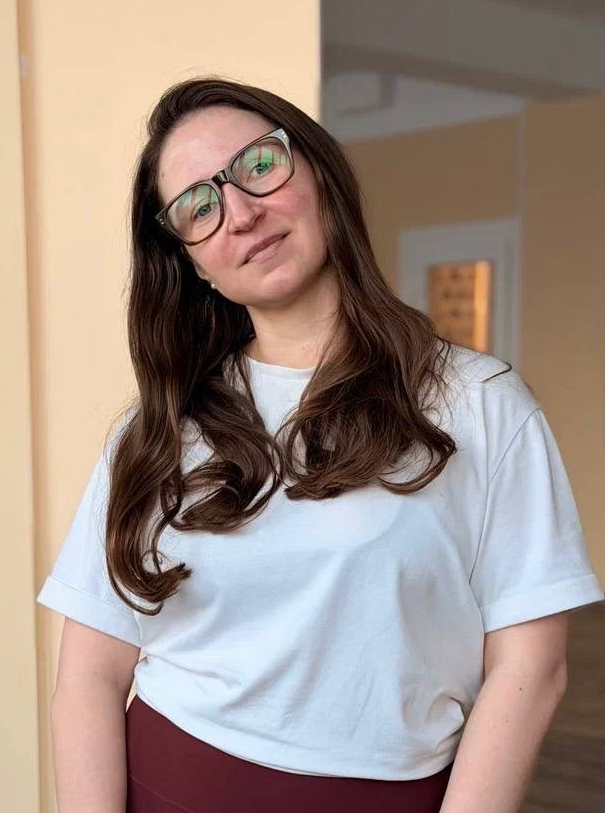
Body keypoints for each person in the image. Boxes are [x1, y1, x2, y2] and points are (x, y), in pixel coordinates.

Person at [36, 76, 605, 813]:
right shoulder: (156, 432)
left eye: (259, 166)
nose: (240, 213)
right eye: (198, 208)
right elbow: (89, 674)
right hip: (166, 786)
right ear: (192, 262)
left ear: (320, 174)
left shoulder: (482, 405)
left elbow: (532, 667)